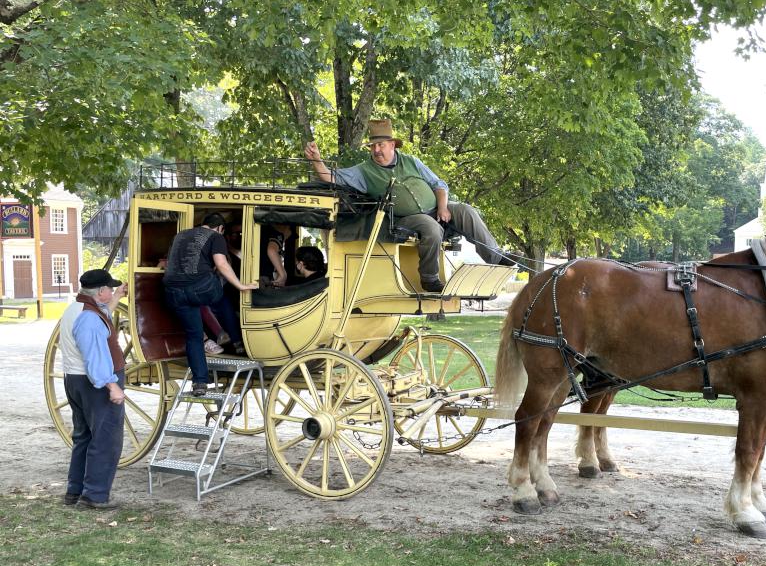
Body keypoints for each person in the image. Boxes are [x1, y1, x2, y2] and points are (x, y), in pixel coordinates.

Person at [304, 119, 513, 293]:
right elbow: (331, 177)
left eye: (381, 145)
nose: (376, 150)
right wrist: (317, 160)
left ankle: (496, 257)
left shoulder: (412, 161)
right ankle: (430, 278)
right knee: (431, 227)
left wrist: (443, 207)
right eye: (373, 146)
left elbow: (439, 185)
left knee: (466, 210)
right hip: (406, 219)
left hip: (437, 209)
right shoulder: (363, 171)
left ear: (392, 145)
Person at [163, 212, 258, 395]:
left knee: (194, 336)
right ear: (220, 228)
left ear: (203, 224)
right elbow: (221, 264)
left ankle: (199, 382)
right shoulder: (216, 237)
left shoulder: (179, 235)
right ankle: (232, 338)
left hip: (173, 292)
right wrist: (240, 285)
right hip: (201, 289)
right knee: (223, 297)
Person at [59, 269, 127, 510]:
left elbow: (103, 313)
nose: (110, 291)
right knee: (105, 439)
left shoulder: (76, 309)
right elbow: (95, 356)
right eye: (109, 288)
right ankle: (94, 496)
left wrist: (117, 296)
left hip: (75, 381)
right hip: (95, 384)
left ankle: (74, 491)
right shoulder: (89, 318)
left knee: (84, 437)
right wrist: (112, 386)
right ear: (100, 292)